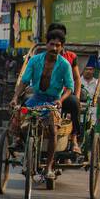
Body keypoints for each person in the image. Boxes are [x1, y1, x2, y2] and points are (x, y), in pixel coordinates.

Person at [15, 32, 76, 180]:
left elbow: (69, 87)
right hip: (36, 98)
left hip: (53, 100)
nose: (54, 48)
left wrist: (61, 100)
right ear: (46, 45)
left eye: (58, 45)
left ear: (61, 48)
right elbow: (24, 81)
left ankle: (49, 167)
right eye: (52, 44)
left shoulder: (64, 64)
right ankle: (23, 147)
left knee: (53, 130)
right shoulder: (35, 60)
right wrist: (15, 97)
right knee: (18, 118)